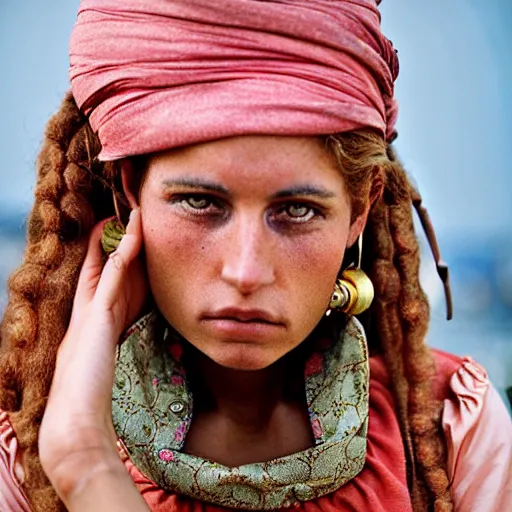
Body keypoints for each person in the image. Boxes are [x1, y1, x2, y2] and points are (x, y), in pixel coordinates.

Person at [0, 0, 511, 511]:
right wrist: (76, 450)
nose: (246, 271)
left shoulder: (449, 435)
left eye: (297, 210)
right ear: (132, 190)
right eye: (200, 202)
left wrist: (90, 471)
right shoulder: (24, 463)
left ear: (360, 207)